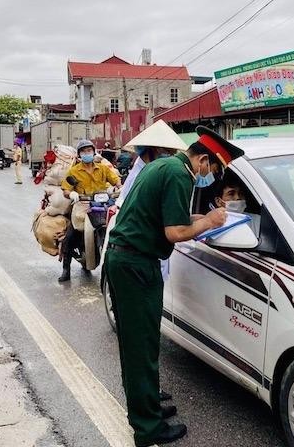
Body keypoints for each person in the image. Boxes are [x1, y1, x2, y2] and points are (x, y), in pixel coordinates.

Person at [104, 125, 244, 446]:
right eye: (215, 170)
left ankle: (148, 406)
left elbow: (168, 216)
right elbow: (174, 232)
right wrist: (209, 222)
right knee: (140, 348)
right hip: (135, 264)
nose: (212, 178)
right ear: (204, 160)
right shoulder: (181, 175)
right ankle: (147, 428)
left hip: (131, 261)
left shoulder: (163, 165)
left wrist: (197, 217)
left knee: (144, 343)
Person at [58, 139, 121, 282]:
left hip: (101, 203)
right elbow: (66, 189)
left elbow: (115, 179)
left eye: (89, 151)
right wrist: (72, 194)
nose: (87, 153)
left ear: (94, 152)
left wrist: (118, 186)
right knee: (70, 236)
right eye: (84, 151)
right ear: (80, 155)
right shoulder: (74, 171)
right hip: (82, 205)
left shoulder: (103, 168)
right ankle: (66, 269)